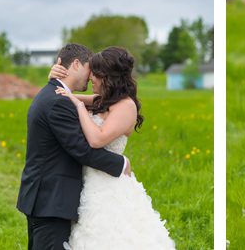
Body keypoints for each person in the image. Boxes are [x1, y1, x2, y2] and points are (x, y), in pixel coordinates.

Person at [49, 46, 175, 249]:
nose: (91, 78)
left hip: (109, 185)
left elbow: (97, 140)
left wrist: (80, 108)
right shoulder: (102, 101)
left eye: (96, 74)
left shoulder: (126, 106)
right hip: (88, 182)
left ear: (108, 77)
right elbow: (62, 95)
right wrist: (54, 78)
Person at [17, 43, 132, 249]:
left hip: (54, 197)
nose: (91, 76)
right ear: (77, 64)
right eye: (90, 69)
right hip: (51, 201)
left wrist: (56, 82)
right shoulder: (57, 101)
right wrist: (121, 163)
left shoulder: (55, 95)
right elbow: (82, 149)